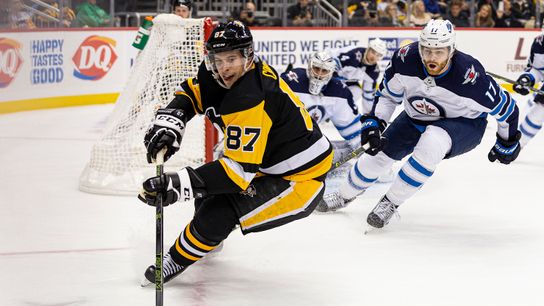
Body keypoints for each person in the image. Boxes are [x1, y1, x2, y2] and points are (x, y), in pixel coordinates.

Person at [138, 20, 333, 284]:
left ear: (247, 56)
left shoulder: (250, 97)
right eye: (218, 59)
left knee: (218, 210)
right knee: (206, 196)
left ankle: (178, 258)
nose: (224, 67)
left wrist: (177, 182)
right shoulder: (217, 75)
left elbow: (236, 174)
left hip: (299, 178)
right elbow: (192, 92)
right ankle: (207, 239)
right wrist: (173, 119)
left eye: (232, 58)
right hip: (266, 161)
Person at [319, 19, 521, 228]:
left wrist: (507, 143)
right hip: (416, 117)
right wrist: (375, 123)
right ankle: (344, 195)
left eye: (439, 52)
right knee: (377, 156)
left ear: (451, 50)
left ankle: (391, 202)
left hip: (465, 124)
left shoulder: (470, 77)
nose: (432, 58)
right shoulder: (405, 60)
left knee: (432, 141)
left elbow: (507, 109)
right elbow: (387, 96)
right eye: (427, 50)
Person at [328, 38, 387, 115]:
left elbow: (368, 94)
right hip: (330, 77)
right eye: (373, 52)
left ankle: (335, 111)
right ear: (368, 49)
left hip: (346, 82)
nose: (374, 57)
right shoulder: (353, 56)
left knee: (357, 91)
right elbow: (329, 69)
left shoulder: (373, 71)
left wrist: (368, 114)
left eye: (378, 55)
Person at [513, 32, 544, 147]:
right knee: (538, 113)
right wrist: (528, 79)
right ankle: (516, 145)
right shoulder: (539, 43)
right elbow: (538, 69)